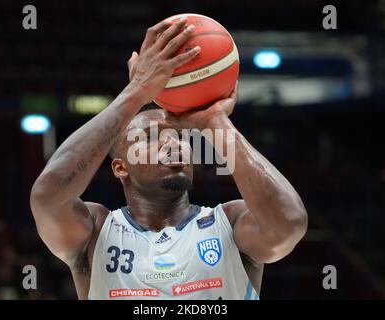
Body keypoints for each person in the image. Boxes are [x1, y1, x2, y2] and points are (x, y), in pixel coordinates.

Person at [30, 17, 308, 300]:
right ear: (120, 167)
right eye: (150, 138)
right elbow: (47, 197)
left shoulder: (230, 223)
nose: (171, 142)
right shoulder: (96, 231)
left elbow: (289, 223)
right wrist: (137, 92)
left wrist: (214, 121)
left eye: (180, 136)